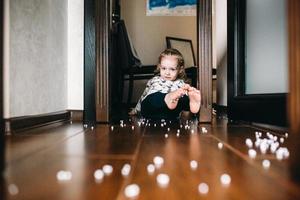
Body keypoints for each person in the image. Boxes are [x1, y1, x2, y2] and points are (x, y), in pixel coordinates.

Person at [129, 48, 201, 120]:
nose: (167, 73)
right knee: (152, 98)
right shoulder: (155, 80)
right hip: (152, 110)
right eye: (164, 68)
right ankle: (168, 98)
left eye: (172, 69)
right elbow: (144, 95)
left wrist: (189, 95)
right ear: (159, 67)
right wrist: (136, 109)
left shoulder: (181, 84)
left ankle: (191, 104)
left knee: (183, 98)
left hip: (170, 113)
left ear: (180, 70)